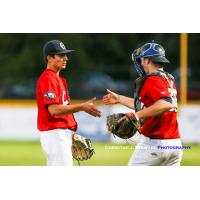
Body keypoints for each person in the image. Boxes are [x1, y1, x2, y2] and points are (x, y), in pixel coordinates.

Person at [102, 41, 182, 166]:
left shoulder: (152, 79)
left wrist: (137, 116)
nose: (140, 63)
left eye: (141, 59)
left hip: (155, 144)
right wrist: (119, 99)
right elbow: (150, 106)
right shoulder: (167, 79)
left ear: (147, 60)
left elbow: (165, 104)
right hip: (175, 145)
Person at [36, 40, 101, 166]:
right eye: (61, 55)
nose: (65, 58)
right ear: (49, 58)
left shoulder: (58, 79)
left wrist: (70, 132)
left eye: (65, 55)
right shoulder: (48, 79)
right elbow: (54, 110)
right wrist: (82, 106)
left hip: (61, 133)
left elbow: (62, 110)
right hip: (55, 133)